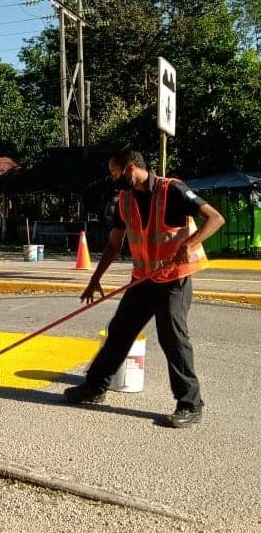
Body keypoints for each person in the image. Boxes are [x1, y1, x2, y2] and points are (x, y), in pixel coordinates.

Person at [63, 144, 225, 428]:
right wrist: (95, 278)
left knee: (173, 339)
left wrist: (190, 243)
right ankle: (94, 387)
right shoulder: (124, 200)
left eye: (115, 173)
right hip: (143, 279)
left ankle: (190, 403)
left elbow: (215, 218)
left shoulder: (172, 190)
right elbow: (115, 244)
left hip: (175, 278)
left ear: (130, 168)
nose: (113, 179)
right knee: (119, 332)